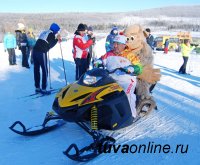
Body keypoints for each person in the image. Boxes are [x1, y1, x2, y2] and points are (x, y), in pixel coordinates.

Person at [95, 35, 143, 118]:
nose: (115, 46)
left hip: (127, 80)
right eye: (114, 43)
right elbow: (101, 60)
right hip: (111, 79)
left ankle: (131, 115)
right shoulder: (109, 54)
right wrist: (98, 62)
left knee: (127, 94)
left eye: (118, 44)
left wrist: (132, 68)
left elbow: (139, 67)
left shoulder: (130, 55)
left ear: (123, 45)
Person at [32, 23, 61, 94]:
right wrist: (57, 39)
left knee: (36, 69)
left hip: (34, 51)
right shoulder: (51, 34)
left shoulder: (44, 32)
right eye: (57, 31)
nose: (57, 32)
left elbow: (45, 42)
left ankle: (37, 87)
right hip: (41, 52)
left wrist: (55, 39)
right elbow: (51, 45)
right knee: (44, 70)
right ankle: (44, 88)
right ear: (55, 30)